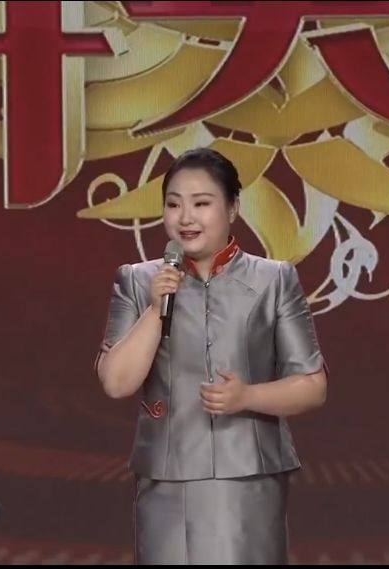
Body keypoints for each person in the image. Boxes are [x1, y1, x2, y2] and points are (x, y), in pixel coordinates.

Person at [95, 147, 328, 564]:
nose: (185, 218)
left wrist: (247, 397)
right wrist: (155, 308)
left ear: (233, 208)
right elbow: (116, 383)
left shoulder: (274, 279)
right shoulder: (137, 280)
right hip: (166, 479)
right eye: (173, 205)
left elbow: (312, 385)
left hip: (248, 476)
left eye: (201, 204)